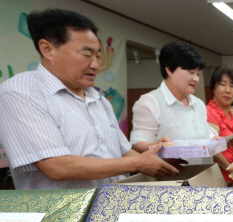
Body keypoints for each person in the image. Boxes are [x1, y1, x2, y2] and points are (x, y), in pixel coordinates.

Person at [0, 9, 179, 190]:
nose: (95, 65)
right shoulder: (21, 93)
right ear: (47, 49)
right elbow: (56, 166)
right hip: (63, 215)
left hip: (112, 205)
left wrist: (155, 156)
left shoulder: (98, 98)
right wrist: (139, 164)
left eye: (98, 56)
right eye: (86, 55)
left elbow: (124, 152)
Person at [130, 42, 227, 168]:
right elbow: (137, 142)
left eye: (198, 74)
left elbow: (205, 133)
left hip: (203, 174)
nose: (196, 79)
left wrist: (217, 139)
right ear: (169, 69)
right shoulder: (150, 102)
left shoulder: (198, 103)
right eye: (191, 72)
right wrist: (157, 145)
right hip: (172, 179)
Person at [207, 67, 233, 183]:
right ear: (214, 88)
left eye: (232, 86)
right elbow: (212, 149)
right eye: (223, 84)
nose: (228, 90)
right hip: (220, 180)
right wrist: (232, 171)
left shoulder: (231, 115)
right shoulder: (210, 112)